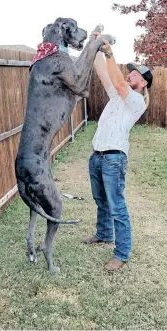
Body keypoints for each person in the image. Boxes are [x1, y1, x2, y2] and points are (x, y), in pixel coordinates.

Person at [83, 32, 153, 271]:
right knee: (100, 199)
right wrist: (93, 45)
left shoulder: (136, 101)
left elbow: (119, 83)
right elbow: (104, 72)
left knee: (117, 206)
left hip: (114, 159)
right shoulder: (117, 95)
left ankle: (121, 253)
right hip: (97, 155)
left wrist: (109, 52)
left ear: (143, 83)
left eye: (135, 73)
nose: (130, 74)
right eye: (130, 71)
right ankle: (103, 234)